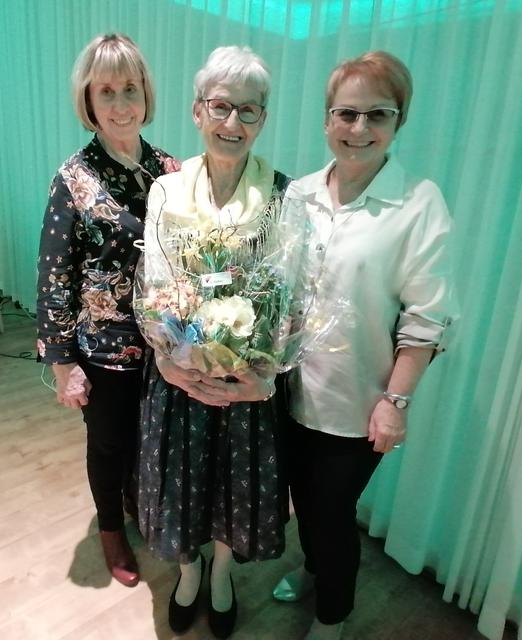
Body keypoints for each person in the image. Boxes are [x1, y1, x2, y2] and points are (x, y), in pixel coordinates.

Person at [271, 51, 457, 640]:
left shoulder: (420, 204)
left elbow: (427, 319)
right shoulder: (297, 195)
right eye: (346, 113)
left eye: (378, 114)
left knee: (331, 513)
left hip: (358, 405)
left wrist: (395, 403)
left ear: (399, 122)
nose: (359, 129)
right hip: (284, 390)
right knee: (304, 502)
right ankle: (313, 566)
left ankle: (334, 615)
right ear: (326, 119)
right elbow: (274, 289)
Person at [137, 46, 291, 638]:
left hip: (245, 380)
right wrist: (170, 360)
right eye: (221, 107)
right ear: (197, 111)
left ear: (263, 119)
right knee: (179, 481)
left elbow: (285, 293)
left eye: (248, 111)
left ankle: (222, 571)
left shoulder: (280, 194)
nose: (233, 124)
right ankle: (188, 570)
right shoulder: (165, 193)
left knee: (234, 485)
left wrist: (261, 369)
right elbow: (153, 287)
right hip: (178, 375)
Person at [36, 33, 178, 588]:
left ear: (146, 95)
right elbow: (54, 277)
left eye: (131, 89)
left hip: (167, 346)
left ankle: (139, 504)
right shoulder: (74, 178)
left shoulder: (170, 169)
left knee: (150, 439)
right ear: (89, 102)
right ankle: (112, 530)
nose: (121, 104)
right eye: (107, 92)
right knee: (111, 441)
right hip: (104, 350)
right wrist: (63, 364)